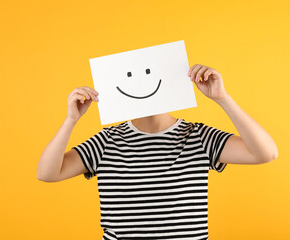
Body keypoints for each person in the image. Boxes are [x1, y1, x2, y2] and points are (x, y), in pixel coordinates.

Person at [37, 64, 278, 240]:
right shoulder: (106, 141)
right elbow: (47, 173)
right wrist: (70, 120)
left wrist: (223, 99)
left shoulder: (199, 137)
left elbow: (265, 153)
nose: (142, 83)